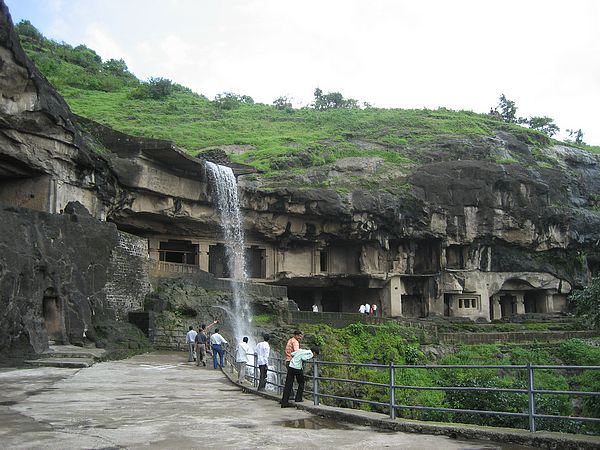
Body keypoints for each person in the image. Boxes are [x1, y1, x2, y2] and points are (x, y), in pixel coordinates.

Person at [284, 330, 303, 398]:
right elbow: (296, 353)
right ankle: (293, 395)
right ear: (296, 335)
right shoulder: (295, 342)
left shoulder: (290, 340)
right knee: (298, 380)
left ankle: (290, 394)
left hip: (288, 360)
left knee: (290, 379)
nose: (300, 338)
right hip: (292, 363)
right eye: (299, 336)